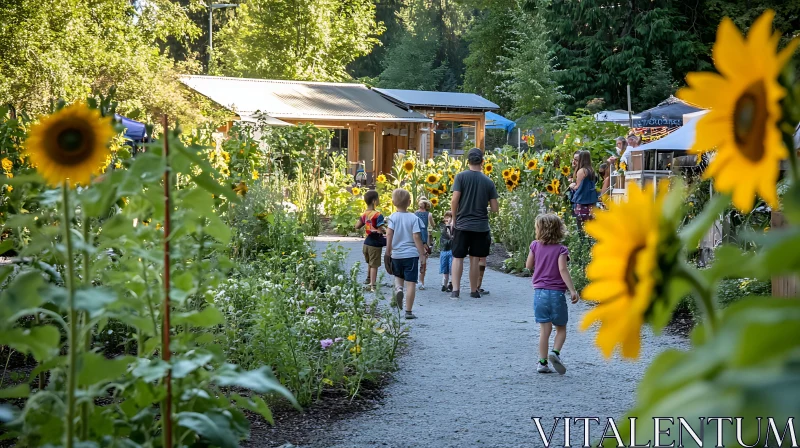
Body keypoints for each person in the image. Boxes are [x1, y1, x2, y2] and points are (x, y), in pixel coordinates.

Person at [525, 214, 579, 374]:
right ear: (559, 230)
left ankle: (542, 363)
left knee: (544, 330)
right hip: (557, 294)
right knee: (561, 328)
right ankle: (555, 353)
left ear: (539, 230)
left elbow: (528, 265)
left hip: (539, 294)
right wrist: (572, 290)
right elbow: (563, 269)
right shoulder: (561, 249)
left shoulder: (534, 245)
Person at [450, 147, 499, 299]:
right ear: (482, 162)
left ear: (468, 161)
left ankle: (456, 290)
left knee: (458, 257)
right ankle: (473, 290)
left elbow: (454, 200)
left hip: (462, 224)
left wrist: (454, 217)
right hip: (481, 226)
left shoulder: (461, 177)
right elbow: (495, 208)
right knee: (475, 258)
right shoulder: (488, 181)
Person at [385, 189, 427, 320]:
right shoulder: (414, 218)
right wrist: (422, 254)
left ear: (393, 202)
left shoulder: (392, 218)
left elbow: (389, 234)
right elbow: (416, 236)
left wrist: (388, 251)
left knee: (398, 277)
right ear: (409, 202)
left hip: (396, 254)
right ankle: (408, 311)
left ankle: (398, 289)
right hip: (411, 255)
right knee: (411, 284)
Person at [355, 190, 386, 291]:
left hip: (366, 243)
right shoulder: (377, 215)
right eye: (378, 198)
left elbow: (357, 226)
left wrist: (367, 225)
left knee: (370, 262)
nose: (379, 200)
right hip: (375, 243)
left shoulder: (365, 214)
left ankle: (368, 279)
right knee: (374, 264)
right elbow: (381, 228)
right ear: (374, 201)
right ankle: (372, 285)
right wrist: (385, 230)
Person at [568, 150, 599, 226]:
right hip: (591, 199)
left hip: (582, 200)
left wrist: (571, 186)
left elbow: (578, 187)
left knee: (581, 223)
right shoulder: (591, 170)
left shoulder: (581, 171)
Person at [414, 197, 434, 290]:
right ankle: (421, 281)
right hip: (424, 235)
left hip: (416, 234)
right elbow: (433, 224)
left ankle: (414, 280)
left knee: (416, 255)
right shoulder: (429, 214)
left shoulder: (415, 214)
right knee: (424, 257)